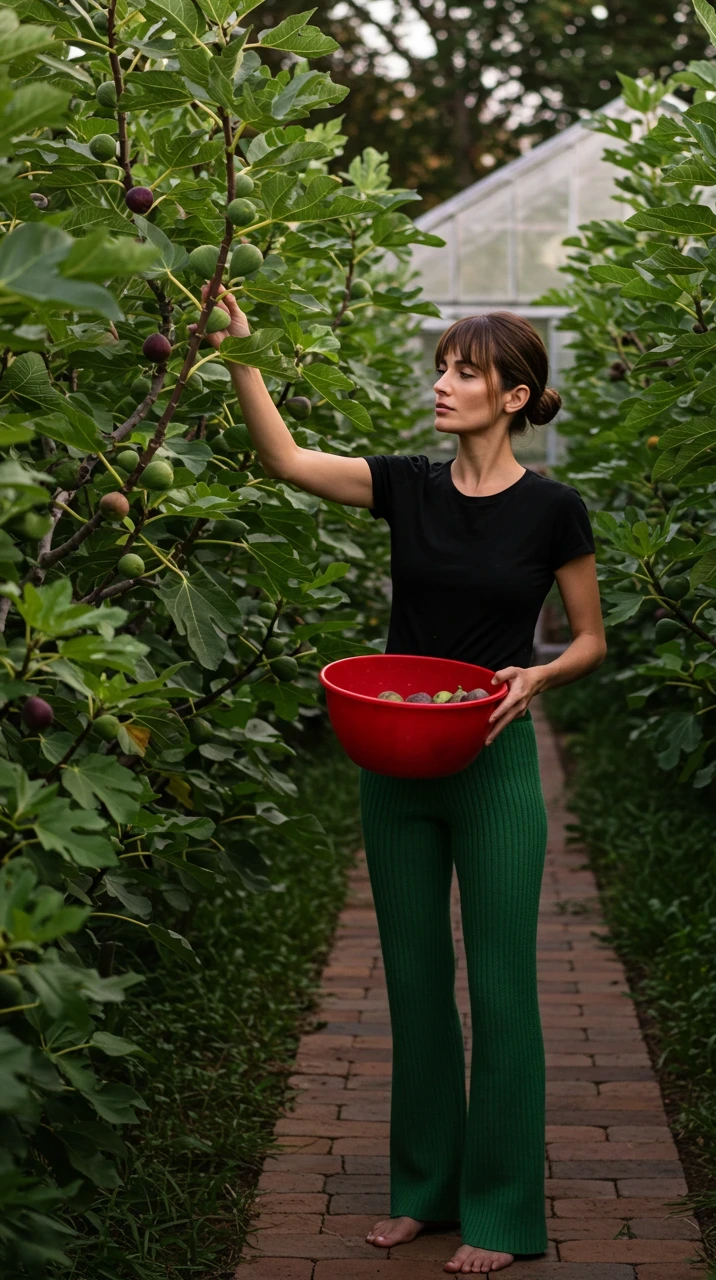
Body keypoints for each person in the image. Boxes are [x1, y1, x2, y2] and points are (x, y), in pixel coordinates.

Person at [192, 288, 607, 1275]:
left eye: (464, 370)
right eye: (443, 365)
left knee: (504, 988)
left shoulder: (553, 509)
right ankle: (423, 1191)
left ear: (513, 396)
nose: (442, 382)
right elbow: (286, 461)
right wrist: (241, 353)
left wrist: (540, 673)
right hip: (393, 763)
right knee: (415, 985)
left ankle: (501, 1209)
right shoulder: (405, 486)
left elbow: (590, 636)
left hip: (494, 763)